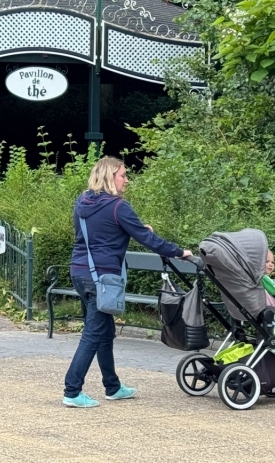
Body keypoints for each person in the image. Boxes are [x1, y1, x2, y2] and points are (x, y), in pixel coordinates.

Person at [63, 156, 193, 408]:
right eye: (123, 175)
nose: (127, 180)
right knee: (93, 334)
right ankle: (72, 390)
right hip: (103, 278)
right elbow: (148, 240)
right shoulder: (118, 206)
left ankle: (112, 386)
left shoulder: (82, 201)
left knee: (104, 331)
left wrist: (136, 229)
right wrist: (179, 252)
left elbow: (98, 234)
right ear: (110, 177)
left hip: (80, 272)